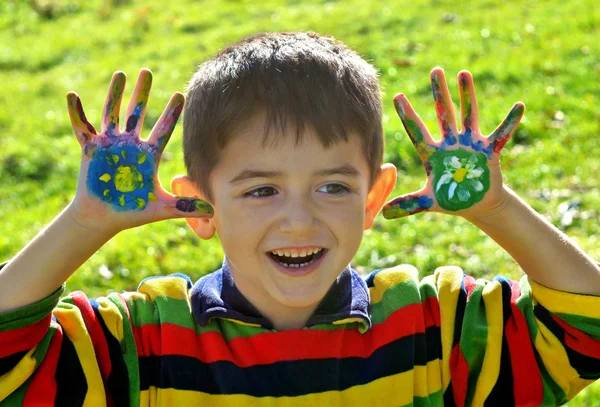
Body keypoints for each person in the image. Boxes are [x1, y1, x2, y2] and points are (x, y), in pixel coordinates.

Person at [0, 31, 598, 407]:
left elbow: (585, 334)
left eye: (333, 186)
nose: (299, 220)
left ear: (374, 199)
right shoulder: (150, 341)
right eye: (261, 190)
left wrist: (496, 207)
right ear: (201, 206)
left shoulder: (431, 329)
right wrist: (86, 222)